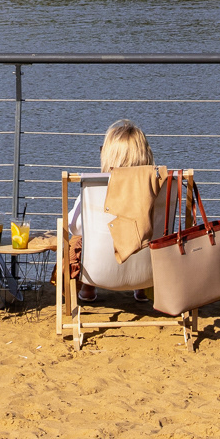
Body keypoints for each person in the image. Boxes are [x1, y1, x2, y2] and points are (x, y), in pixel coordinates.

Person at [69, 120, 154, 302]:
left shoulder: (94, 189)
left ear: (108, 155)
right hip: (148, 269)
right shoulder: (158, 188)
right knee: (142, 231)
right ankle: (142, 288)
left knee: (80, 238)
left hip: (100, 269)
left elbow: (73, 226)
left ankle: (88, 288)